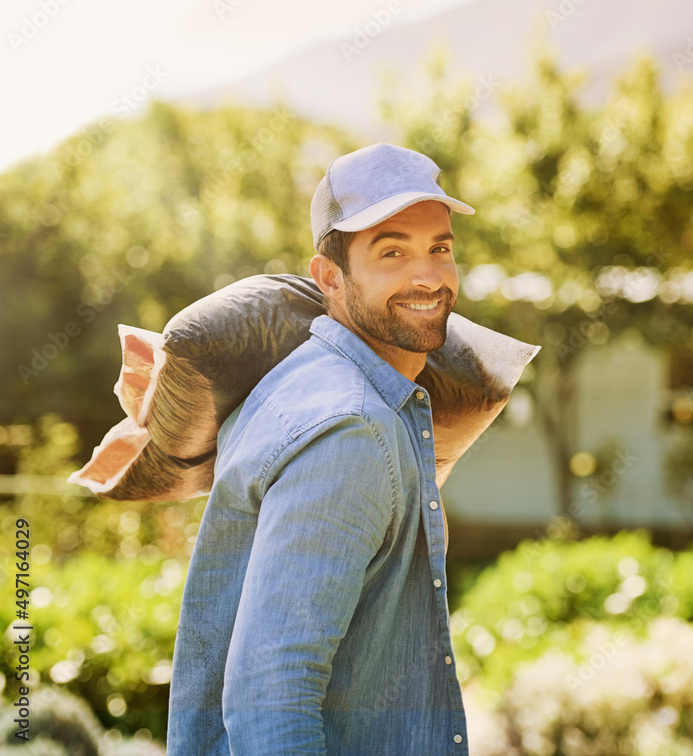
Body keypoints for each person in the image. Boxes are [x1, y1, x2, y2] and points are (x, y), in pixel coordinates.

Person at [166, 143, 476, 754]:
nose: (428, 276)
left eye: (439, 248)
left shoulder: (301, 378)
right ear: (329, 277)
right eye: (392, 252)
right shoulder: (351, 431)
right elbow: (270, 701)